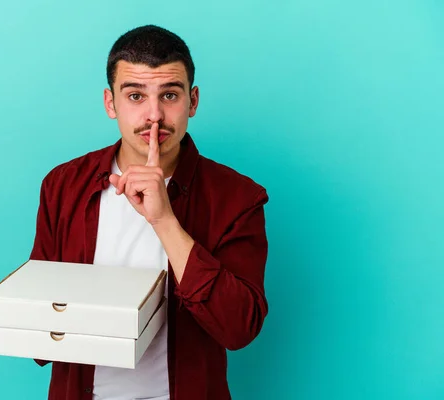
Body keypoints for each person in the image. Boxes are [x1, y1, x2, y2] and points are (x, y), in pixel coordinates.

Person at [30, 24, 269, 400]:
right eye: (136, 95)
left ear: (193, 101)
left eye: (169, 95)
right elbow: (39, 321)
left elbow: (239, 328)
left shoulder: (237, 197)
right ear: (111, 103)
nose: (154, 115)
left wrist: (164, 220)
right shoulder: (63, 185)